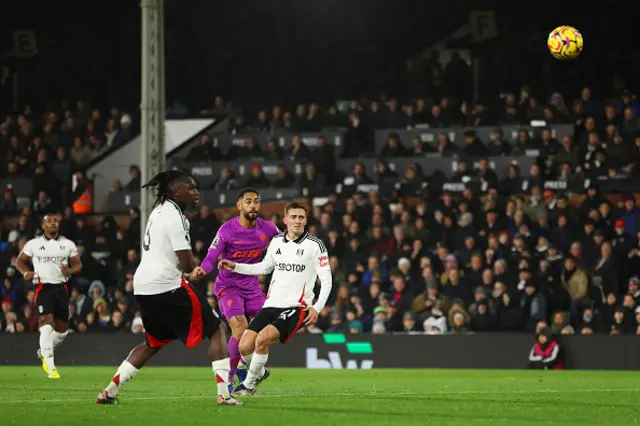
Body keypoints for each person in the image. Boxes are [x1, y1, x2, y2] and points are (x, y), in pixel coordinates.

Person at [95, 170, 242, 406]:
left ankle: (109, 391)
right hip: (166, 283)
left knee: (152, 343)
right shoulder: (175, 217)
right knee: (217, 328)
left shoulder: (157, 212)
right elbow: (185, 262)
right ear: (176, 191)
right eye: (191, 188)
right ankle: (224, 394)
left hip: (143, 285)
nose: (196, 193)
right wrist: (194, 269)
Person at [218, 202, 333, 395]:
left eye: (302, 217)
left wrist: (317, 308)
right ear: (285, 220)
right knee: (244, 346)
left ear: (306, 220)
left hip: (297, 307)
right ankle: (260, 372)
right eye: (294, 217)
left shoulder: (315, 245)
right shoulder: (277, 242)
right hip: (271, 305)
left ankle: (248, 385)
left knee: (262, 339)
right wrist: (236, 266)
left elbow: (327, 280)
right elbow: (263, 267)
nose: (298, 221)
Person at [198, 187, 280, 391]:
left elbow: (285, 246)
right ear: (239, 206)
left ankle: (248, 365)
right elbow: (211, 255)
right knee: (240, 327)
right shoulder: (227, 229)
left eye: (256, 201)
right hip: (228, 286)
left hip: (252, 288)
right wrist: (203, 269)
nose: (253, 205)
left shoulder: (268, 228)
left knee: (266, 328)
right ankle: (229, 379)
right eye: (249, 201)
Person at [15, 214, 83, 379]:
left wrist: (70, 270)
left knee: (61, 331)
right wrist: (25, 273)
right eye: (50, 221)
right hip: (43, 288)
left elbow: (78, 265)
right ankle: (51, 367)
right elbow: (19, 262)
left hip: (61, 288)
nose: (53, 224)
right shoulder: (34, 244)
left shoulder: (67, 244)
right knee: (45, 323)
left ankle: (43, 351)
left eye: (56, 221)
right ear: (43, 225)